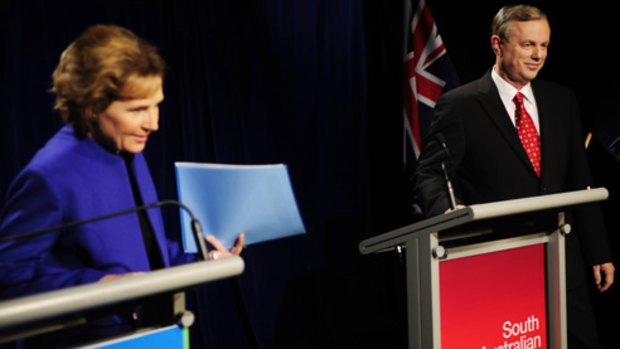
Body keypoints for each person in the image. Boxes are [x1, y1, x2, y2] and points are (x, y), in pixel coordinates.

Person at [0, 24, 244, 347]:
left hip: (152, 336)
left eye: (156, 105)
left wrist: (205, 261)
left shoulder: (126, 152)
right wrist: (100, 284)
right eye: (138, 110)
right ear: (93, 105)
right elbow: (9, 278)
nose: (153, 123)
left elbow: (143, 252)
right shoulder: (50, 175)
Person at [414, 4, 615, 348]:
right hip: (501, 260)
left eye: (544, 45)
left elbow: (581, 179)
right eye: (528, 45)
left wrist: (599, 250)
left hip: (561, 257)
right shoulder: (460, 106)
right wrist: (447, 209)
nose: (538, 55)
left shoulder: (561, 99)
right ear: (498, 44)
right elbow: (431, 172)